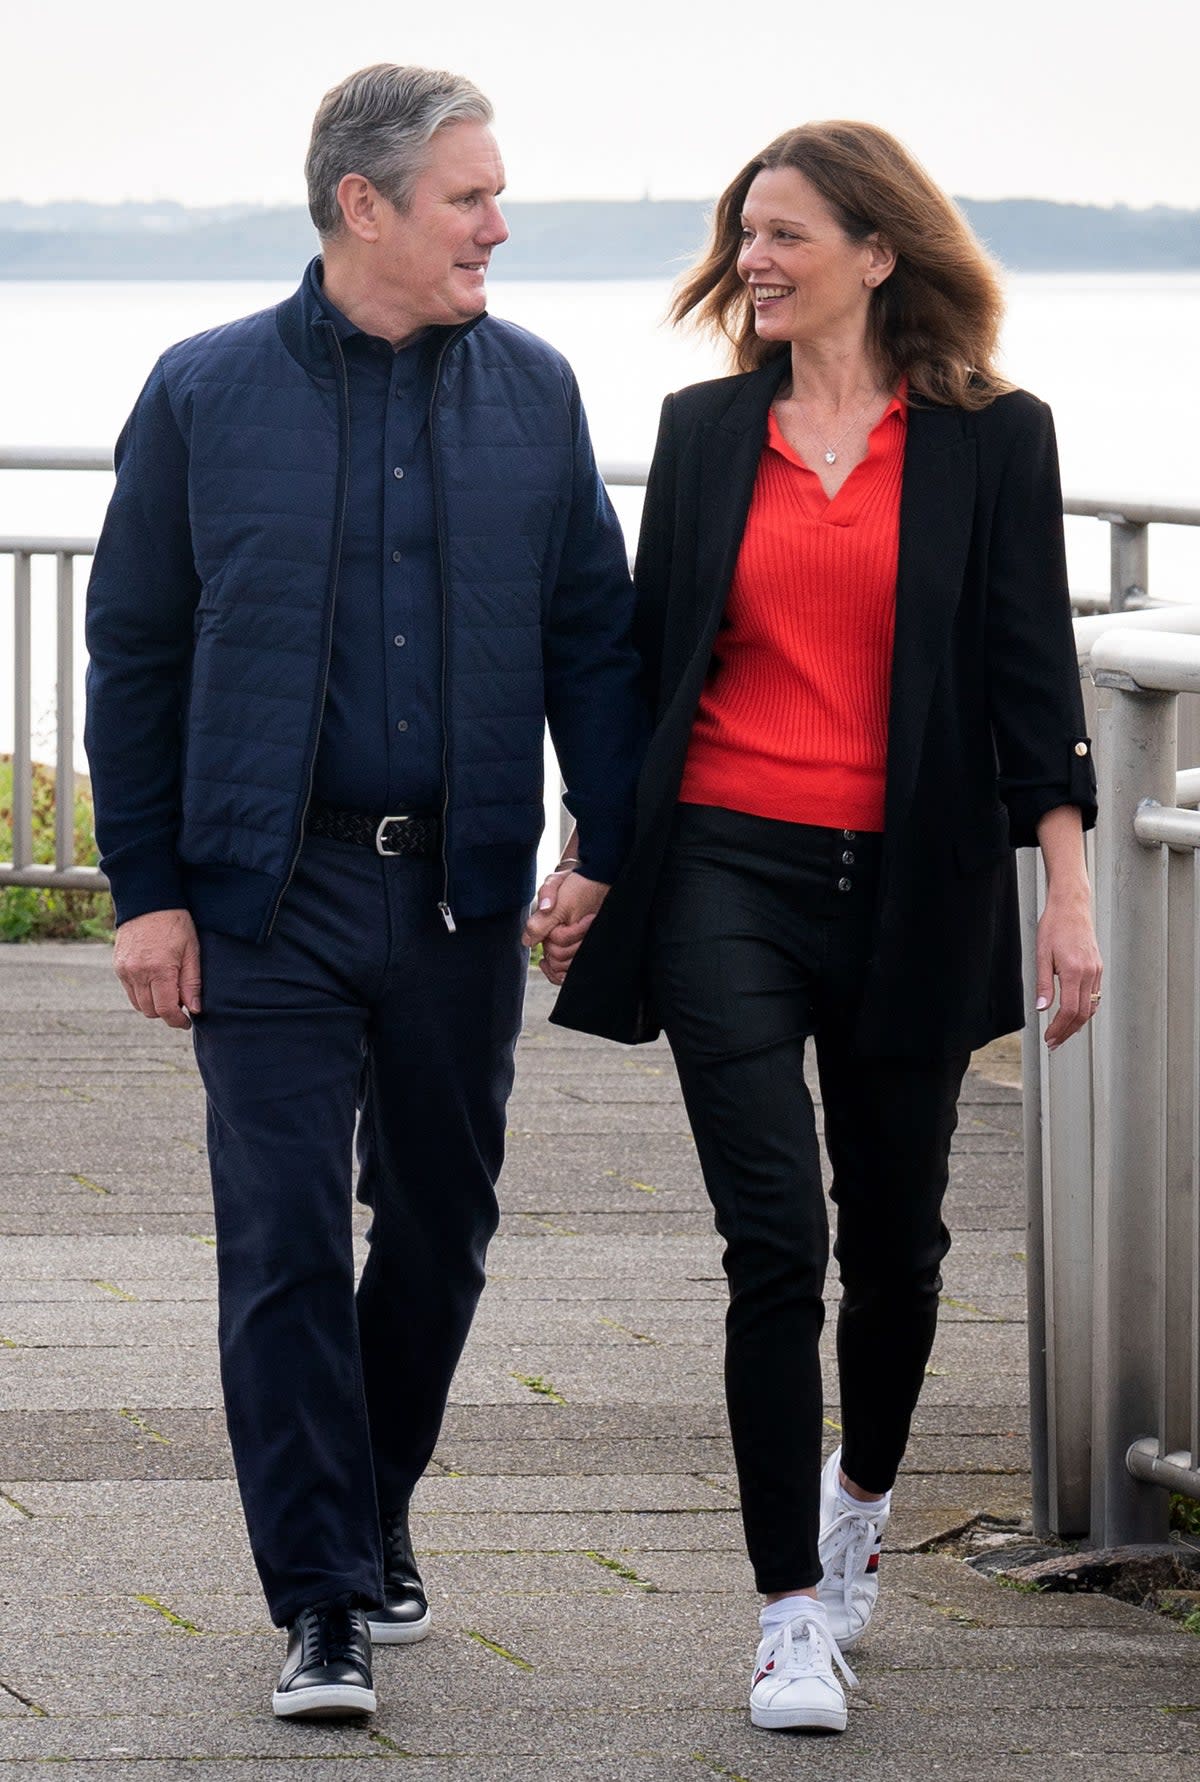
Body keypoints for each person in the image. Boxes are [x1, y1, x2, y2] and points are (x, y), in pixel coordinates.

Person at [84, 64, 643, 1721]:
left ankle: (374, 1494)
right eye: (467, 194)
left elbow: (594, 642)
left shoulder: (536, 396)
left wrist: (596, 844)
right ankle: (322, 1595)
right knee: (277, 1240)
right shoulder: (200, 393)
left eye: (494, 191)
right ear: (364, 206)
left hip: (460, 898)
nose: (495, 222)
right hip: (265, 893)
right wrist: (147, 889)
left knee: (445, 1226)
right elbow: (137, 654)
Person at [536, 120, 1101, 1736]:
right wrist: (595, 858)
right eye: (746, 234)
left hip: (911, 885)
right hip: (727, 868)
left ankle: (859, 1500)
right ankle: (790, 1607)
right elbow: (654, 676)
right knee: (774, 1234)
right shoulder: (707, 432)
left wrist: (1065, 890)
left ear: (879, 248)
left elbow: (1026, 682)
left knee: (901, 1243)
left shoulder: (997, 440)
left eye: (785, 234)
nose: (756, 261)